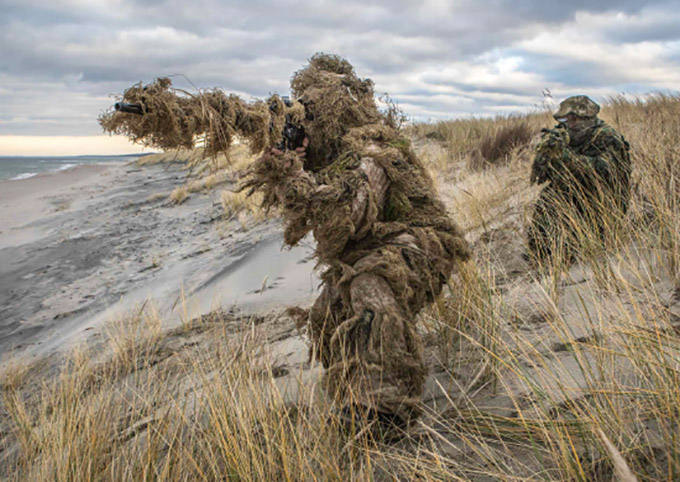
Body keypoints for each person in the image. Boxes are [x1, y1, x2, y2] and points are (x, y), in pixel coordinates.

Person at [100, 53, 471, 431]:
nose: (303, 124)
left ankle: (387, 409)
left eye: (311, 115)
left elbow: (345, 220)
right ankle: (355, 389)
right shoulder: (326, 156)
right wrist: (170, 112)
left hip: (421, 244)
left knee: (369, 281)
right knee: (330, 313)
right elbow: (245, 118)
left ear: (334, 114)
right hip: (374, 244)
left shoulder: (371, 149)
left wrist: (294, 175)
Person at [527, 95, 631, 263]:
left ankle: (575, 251)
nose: (567, 125)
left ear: (587, 119)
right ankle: (542, 251)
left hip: (603, 201)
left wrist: (565, 156)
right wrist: (545, 154)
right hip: (575, 193)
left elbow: (604, 172)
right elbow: (545, 176)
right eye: (564, 119)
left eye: (573, 120)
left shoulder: (607, 137)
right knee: (548, 199)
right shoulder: (563, 135)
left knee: (583, 241)